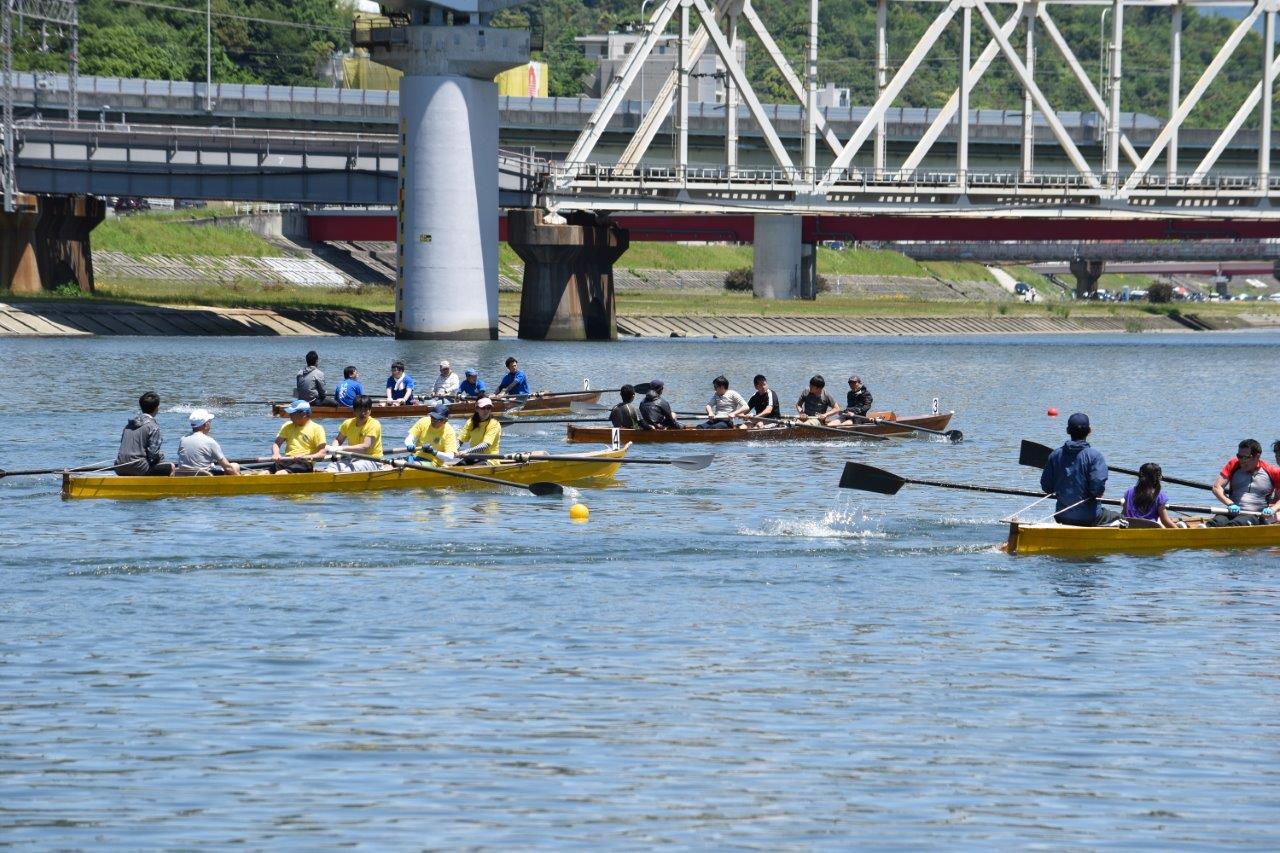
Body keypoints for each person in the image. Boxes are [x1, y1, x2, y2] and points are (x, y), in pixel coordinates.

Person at [1039, 412, 1119, 527]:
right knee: (1121, 518)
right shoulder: (1095, 456)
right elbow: (1097, 489)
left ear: (1068, 430)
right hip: (1090, 518)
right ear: (1089, 431)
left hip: (1061, 516)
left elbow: (1046, 487)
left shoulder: (1054, 455)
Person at [1207, 439, 1280, 527]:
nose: (1241, 460)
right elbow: (1216, 487)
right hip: (1231, 511)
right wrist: (1230, 504)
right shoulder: (1233, 464)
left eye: (1245, 457)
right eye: (1239, 456)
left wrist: (1273, 509)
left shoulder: (1273, 472)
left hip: (1255, 515)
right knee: (1215, 522)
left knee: (1235, 524)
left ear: (1257, 456)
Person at [115, 391, 175, 477]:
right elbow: (153, 456)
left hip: (119, 467)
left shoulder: (128, 425)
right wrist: (160, 459)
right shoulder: (153, 426)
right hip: (139, 467)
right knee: (171, 467)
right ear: (157, 408)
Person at [270, 399, 328, 474]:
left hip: (305, 463)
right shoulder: (287, 426)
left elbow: (322, 454)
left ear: (304, 414)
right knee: (265, 472)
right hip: (287, 460)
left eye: (292, 413)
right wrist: (276, 454)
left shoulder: (317, 428)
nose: (290, 416)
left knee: (281, 473)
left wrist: (304, 457)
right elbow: (276, 444)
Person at [176, 409, 240, 476]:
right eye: (209, 421)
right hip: (203, 476)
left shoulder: (183, 439)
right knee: (235, 466)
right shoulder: (210, 442)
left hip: (183, 475)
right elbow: (228, 468)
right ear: (206, 424)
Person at [330, 396, 384, 472]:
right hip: (353, 458)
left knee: (347, 470)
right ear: (354, 411)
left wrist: (341, 448)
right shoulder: (347, 423)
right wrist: (334, 449)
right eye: (359, 410)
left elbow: (365, 447)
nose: (363, 413)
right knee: (332, 467)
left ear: (370, 411)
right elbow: (338, 440)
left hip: (372, 460)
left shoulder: (374, 424)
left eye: (365, 410)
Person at [1120, 463, 1178, 528]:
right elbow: (1165, 521)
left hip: (1130, 528)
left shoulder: (1129, 491)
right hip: (1150, 529)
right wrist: (1178, 530)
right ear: (1159, 477)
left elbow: (1124, 514)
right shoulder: (1160, 495)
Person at [459, 397, 503, 463]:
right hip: (474, 457)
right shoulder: (470, 422)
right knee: (458, 465)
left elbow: (485, 445)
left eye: (488, 408)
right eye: (483, 408)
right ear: (477, 409)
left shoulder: (494, 424)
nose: (486, 411)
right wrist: (452, 450)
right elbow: (460, 441)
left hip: (490, 459)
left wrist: (466, 451)